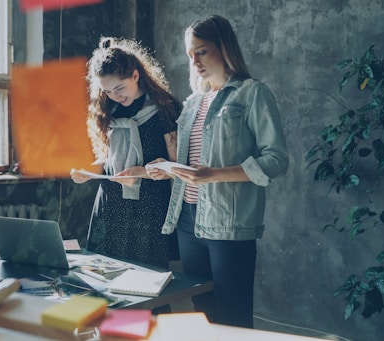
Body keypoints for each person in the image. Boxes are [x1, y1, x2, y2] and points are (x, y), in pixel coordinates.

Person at [147, 15, 289, 328]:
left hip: (229, 223)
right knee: (204, 314)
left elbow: (276, 160)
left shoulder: (252, 94)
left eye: (202, 51)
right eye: (190, 54)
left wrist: (212, 175)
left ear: (223, 48)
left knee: (232, 317)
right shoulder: (193, 102)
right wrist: (169, 168)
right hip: (187, 221)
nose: (194, 61)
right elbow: (193, 164)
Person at [71, 37, 182, 269]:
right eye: (107, 91)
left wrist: (141, 171)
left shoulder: (164, 108)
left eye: (119, 88)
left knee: (150, 283)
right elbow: (108, 159)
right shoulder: (106, 110)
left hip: (149, 205)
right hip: (111, 203)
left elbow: (178, 167)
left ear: (135, 75)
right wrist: (88, 172)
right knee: (107, 280)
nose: (115, 96)